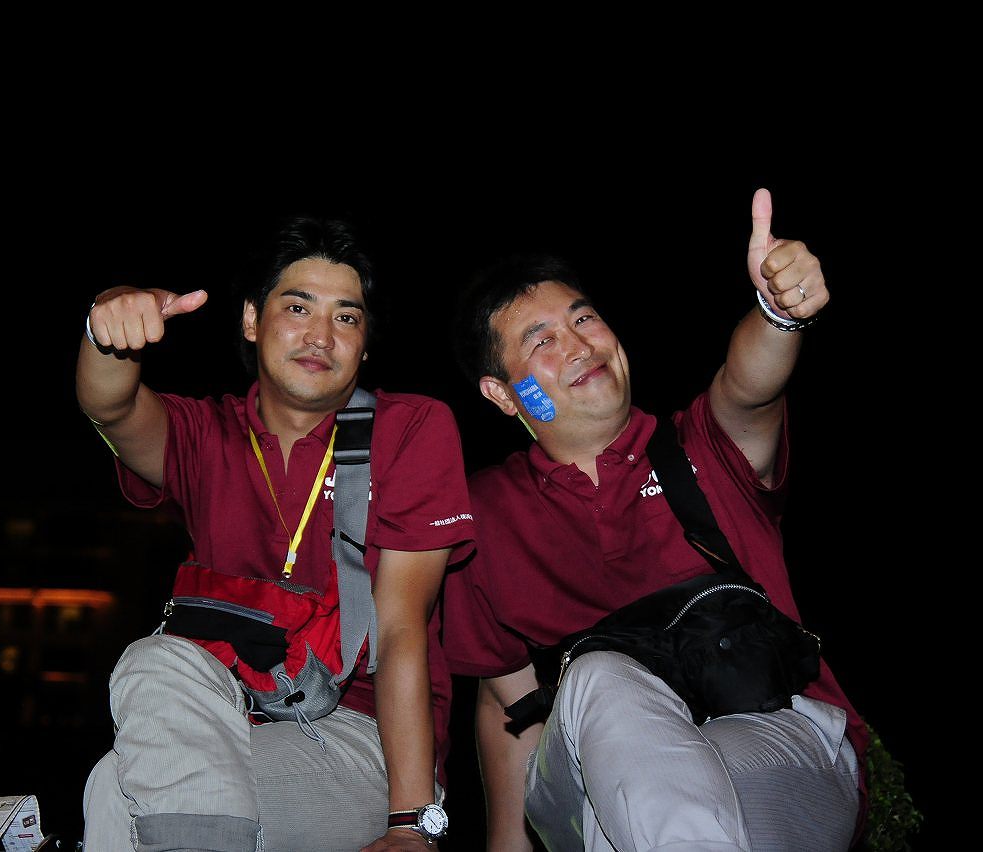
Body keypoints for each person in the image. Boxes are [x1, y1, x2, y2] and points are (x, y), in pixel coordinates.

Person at [442, 188, 868, 851]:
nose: (579, 345)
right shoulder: (483, 515)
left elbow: (749, 388)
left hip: (780, 746)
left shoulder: (701, 448)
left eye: (585, 319)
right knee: (599, 679)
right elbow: (508, 705)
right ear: (502, 393)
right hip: (598, 776)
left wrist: (776, 314)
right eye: (542, 339)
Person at [77, 216, 475, 851]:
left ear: (365, 345)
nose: (321, 335)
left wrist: (409, 823)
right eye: (297, 307)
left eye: (347, 317)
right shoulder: (206, 434)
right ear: (250, 320)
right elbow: (110, 405)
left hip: (362, 736)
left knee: (114, 790)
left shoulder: (409, 429)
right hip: (225, 717)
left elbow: (401, 628)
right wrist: (107, 323)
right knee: (153, 666)